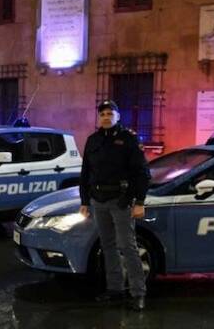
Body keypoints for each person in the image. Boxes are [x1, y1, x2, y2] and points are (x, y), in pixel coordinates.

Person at [79, 100, 151, 311]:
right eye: (103, 114)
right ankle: (115, 289)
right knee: (107, 246)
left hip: (121, 200)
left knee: (127, 247)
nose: (106, 117)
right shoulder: (93, 140)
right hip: (98, 200)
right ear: (98, 118)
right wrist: (84, 201)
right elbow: (85, 173)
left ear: (118, 116)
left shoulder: (128, 139)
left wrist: (139, 202)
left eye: (111, 113)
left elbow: (142, 173)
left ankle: (138, 293)